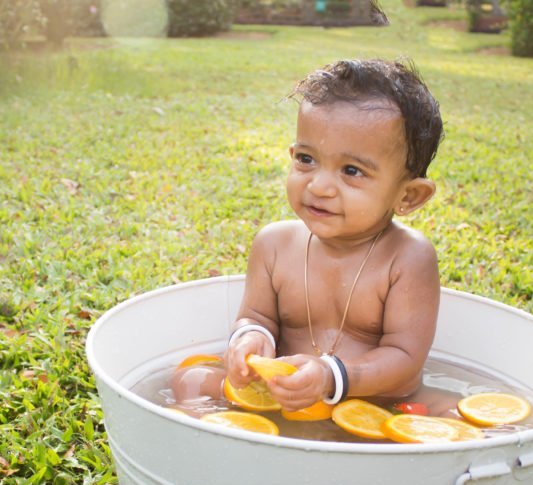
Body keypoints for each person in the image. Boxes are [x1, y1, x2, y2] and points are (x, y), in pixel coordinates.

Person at [173, 58, 444, 413]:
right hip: (281, 399)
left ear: (407, 196)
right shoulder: (273, 245)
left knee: (445, 416)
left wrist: (330, 377)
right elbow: (256, 316)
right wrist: (251, 339)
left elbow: (404, 359)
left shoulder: (407, 258)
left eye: (351, 171)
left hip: (373, 408)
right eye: (306, 159)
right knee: (188, 380)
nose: (319, 186)